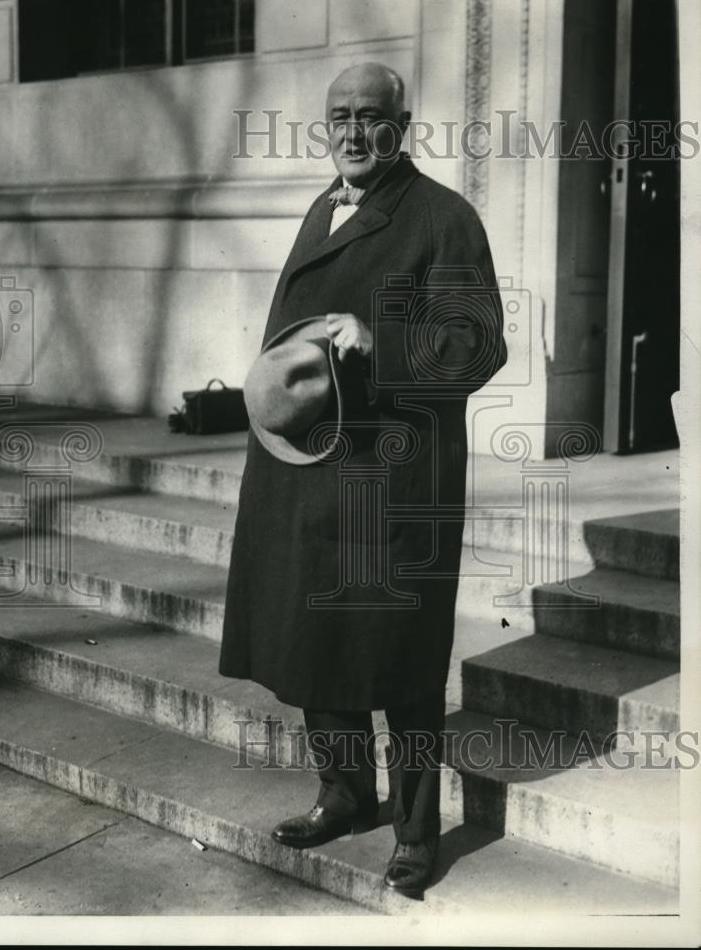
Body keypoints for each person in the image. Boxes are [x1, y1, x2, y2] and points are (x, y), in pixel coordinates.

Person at [219, 61, 507, 898]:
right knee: (314, 642)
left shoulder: (442, 218)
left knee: (402, 663)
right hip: (308, 470)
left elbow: (477, 348)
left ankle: (417, 834)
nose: (352, 130)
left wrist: (378, 338)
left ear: (402, 125)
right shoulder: (322, 207)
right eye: (339, 115)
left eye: (370, 116)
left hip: (394, 479)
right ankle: (344, 793)